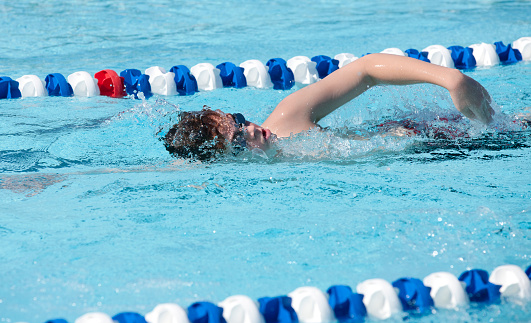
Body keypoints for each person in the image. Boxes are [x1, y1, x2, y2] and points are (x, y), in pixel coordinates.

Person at [163, 53, 495, 160]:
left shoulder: (286, 119)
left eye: (238, 120)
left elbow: (365, 69)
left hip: (437, 137)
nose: (249, 128)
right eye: (237, 139)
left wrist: (451, 80)